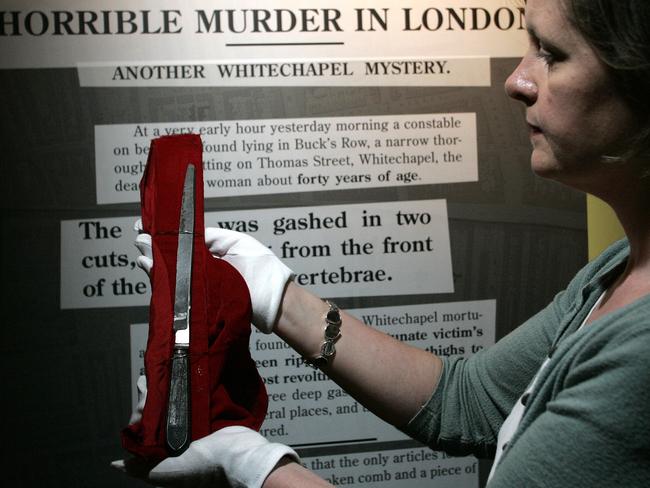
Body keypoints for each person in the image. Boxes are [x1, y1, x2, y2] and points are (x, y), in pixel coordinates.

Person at [112, 0, 650, 486]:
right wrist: (282, 300)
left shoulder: (639, 349)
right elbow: (468, 401)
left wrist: (255, 470)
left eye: (551, 54)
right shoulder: (617, 271)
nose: (516, 81)